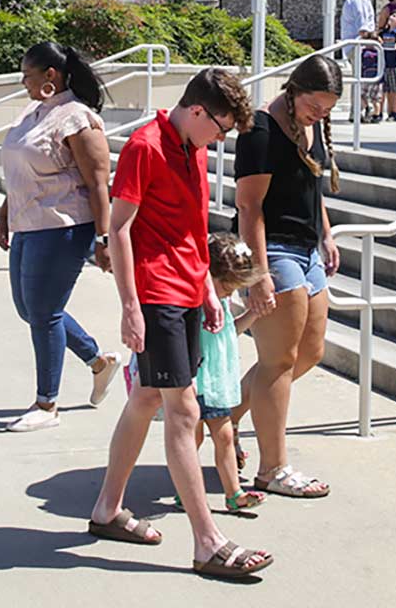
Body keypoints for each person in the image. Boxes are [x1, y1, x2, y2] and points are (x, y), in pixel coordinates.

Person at [89, 68, 273, 581]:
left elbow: (192, 228)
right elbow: (118, 228)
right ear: (197, 111)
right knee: (183, 410)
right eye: (220, 128)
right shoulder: (145, 147)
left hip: (186, 291)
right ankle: (208, 541)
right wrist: (130, 305)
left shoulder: (193, 146)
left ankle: (107, 509)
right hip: (155, 295)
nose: (221, 138)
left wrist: (209, 290)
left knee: (146, 399)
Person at [229, 54, 342, 500]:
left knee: (309, 352)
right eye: (315, 106)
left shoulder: (309, 125)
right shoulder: (259, 129)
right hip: (273, 250)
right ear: (293, 91)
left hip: (308, 249)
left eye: (327, 109)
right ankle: (272, 468)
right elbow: (248, 207)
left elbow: (311, 186)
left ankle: (221, 414)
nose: (320, 115)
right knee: (278, 359)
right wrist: (258, 274)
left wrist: (327, 235)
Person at [0, 42, 120, 433]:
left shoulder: (77, 119)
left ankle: (46, 403)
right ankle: (98, 361)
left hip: (64, 226)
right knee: (28, 308)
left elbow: (99, 184)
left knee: (44, 312)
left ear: (51, 75)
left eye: (28, 75)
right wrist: (4, 214)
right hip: (27, 223)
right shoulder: (34, 112)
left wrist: (104, 239)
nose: (23, 82)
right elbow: (17, 168)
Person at [179, 235, 267, 514]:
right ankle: (188, 490)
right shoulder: (194, 304)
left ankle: (234, 493)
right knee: (193, 439)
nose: (229, 294)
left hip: (217, 384)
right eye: (227, 287)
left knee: (225, 437)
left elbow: (230, 332)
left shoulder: (222, 305)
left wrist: (253, 315)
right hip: (197, 382)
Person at [340, 0, 378, 121]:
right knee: (360, 81)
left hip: (360, 46)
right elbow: (363, 28)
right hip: (358, 46)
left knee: (361, 80)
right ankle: (357, 112)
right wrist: (375, 38)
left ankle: (358, 111)